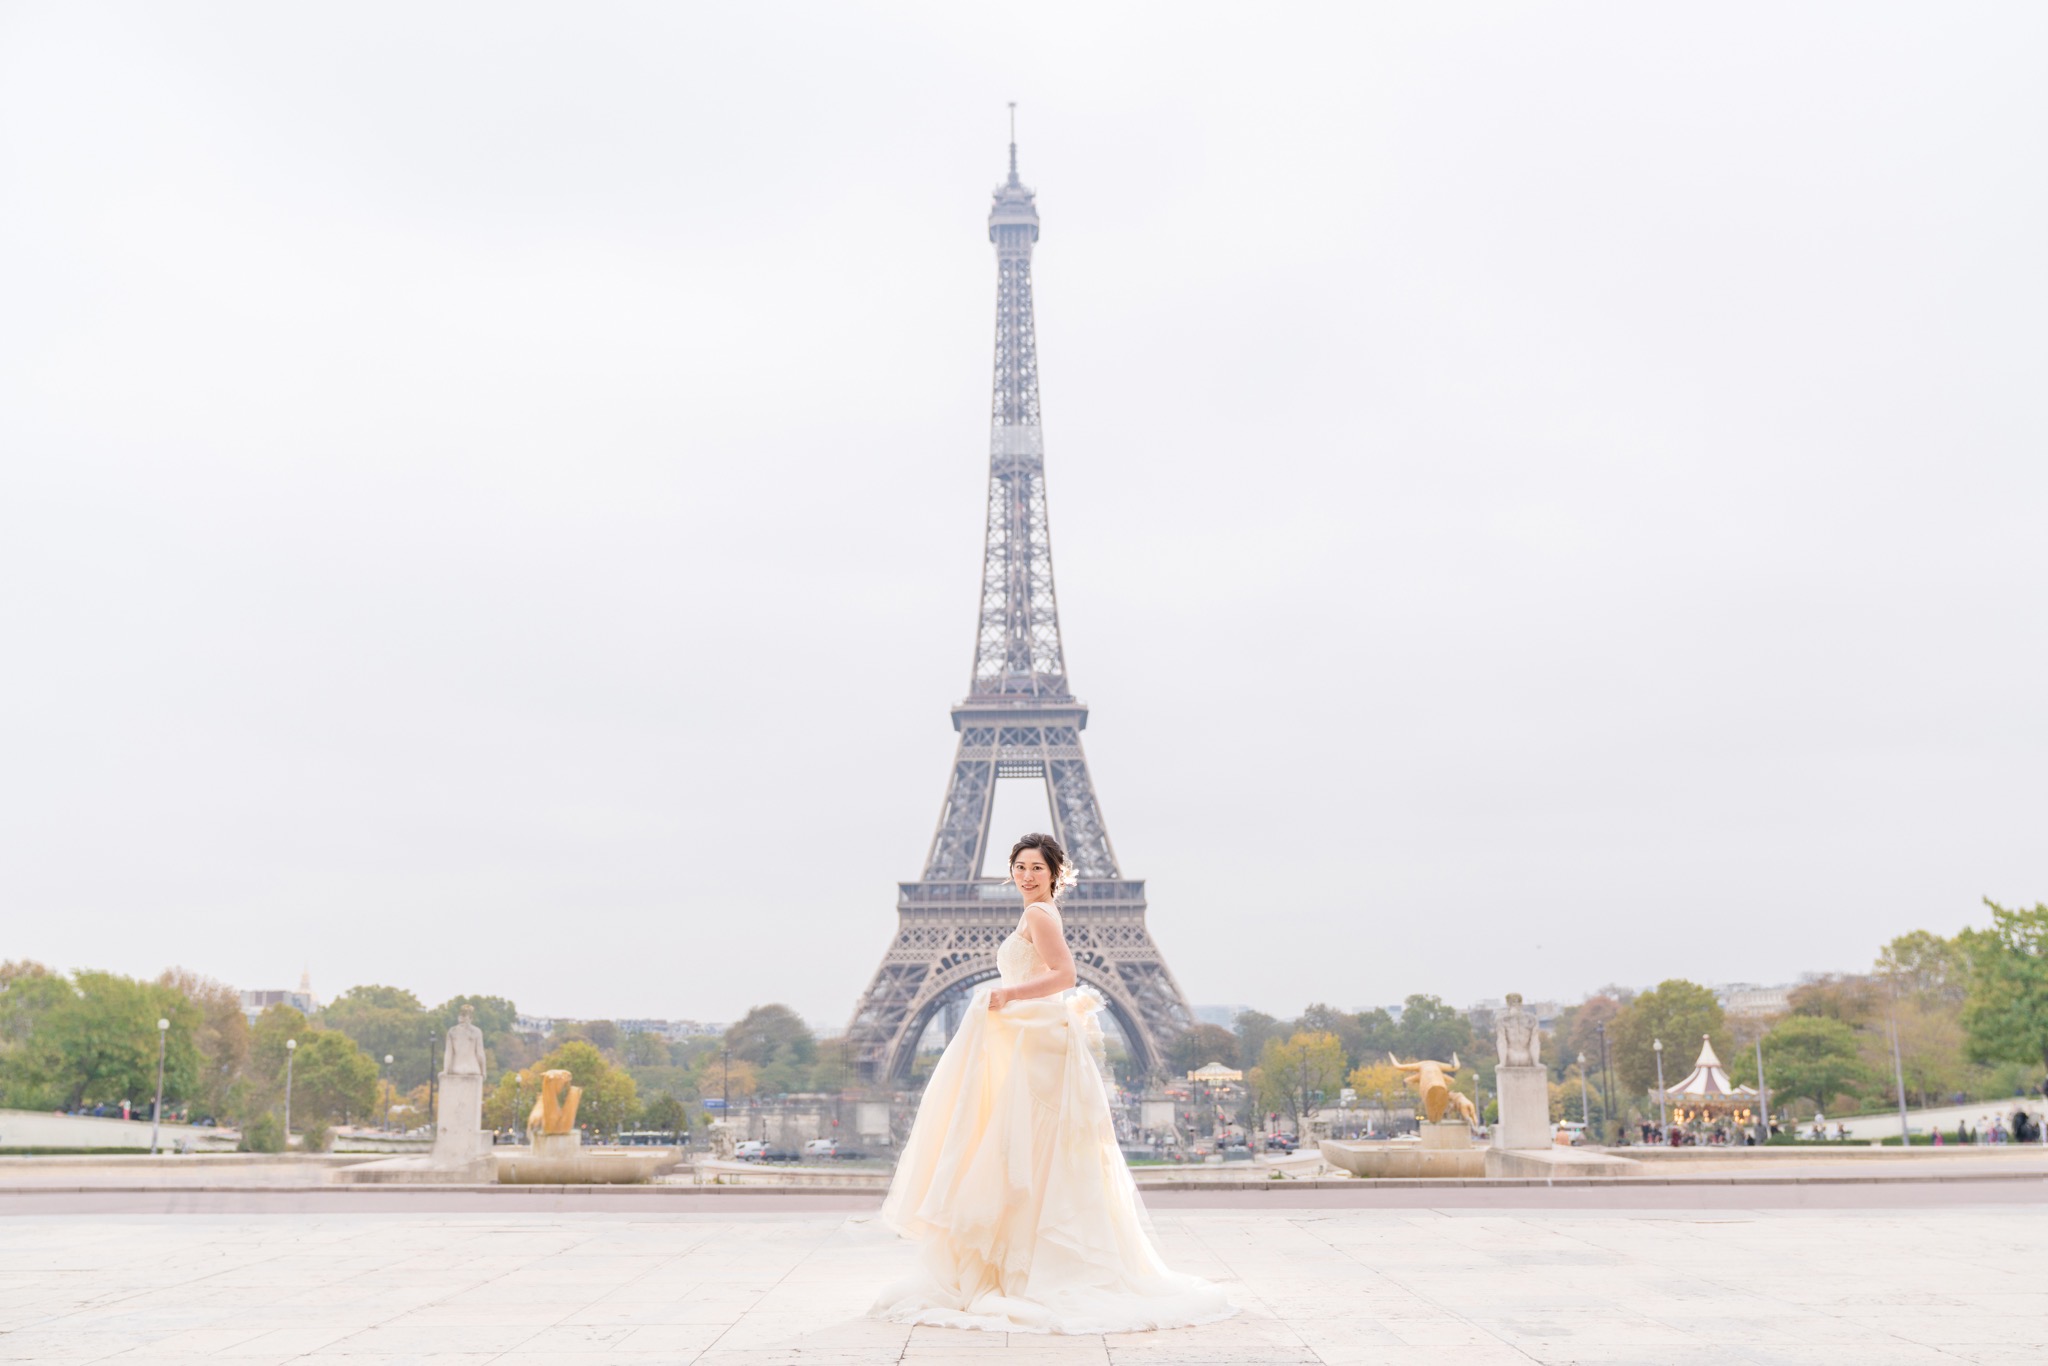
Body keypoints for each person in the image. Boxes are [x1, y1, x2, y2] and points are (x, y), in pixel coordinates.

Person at [870, 833, 1235, 1335]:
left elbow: (1066, 974)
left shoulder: (1040, 916)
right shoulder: (1035, 914)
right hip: (1035, 1036)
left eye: (1036, 868)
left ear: (1054, 873)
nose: (1026, 875)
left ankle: (1020, 1263)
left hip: (1035, 1038)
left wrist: (1008, 995)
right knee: (1042, 1153)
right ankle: (1037, 1258)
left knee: (1024, 1147)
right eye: (1019, 866)